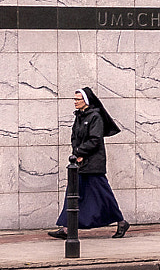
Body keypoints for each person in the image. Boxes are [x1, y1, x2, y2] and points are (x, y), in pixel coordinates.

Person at [49, 87, 130, 239]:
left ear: (85, 101)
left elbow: (95, 140)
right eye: (74, 99)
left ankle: (121, 222)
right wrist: (76, 153)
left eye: (77, 99)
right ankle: (67, 228)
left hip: (93, 164)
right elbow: (74, 137)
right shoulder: (80, 116)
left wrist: (80, 153)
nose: (75, 102)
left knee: (103, 195)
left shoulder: (95, 117)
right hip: (80, 162)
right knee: (73, 193)